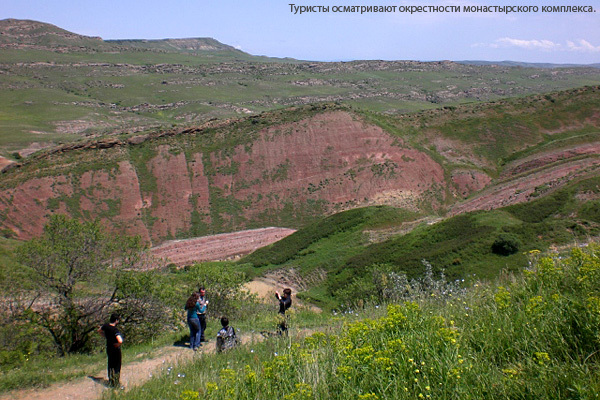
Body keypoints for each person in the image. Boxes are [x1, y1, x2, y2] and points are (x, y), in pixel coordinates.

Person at [99, 313, 124, 388]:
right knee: (117, 365)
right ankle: (116, 382)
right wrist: (118, 344)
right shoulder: (115, 330)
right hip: (115, 349)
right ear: (116, 320)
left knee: (110, 364)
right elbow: (120, 340)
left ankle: (111, 380)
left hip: (109, 348)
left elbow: (99, 330)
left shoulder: (106, 326)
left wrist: (105, 336)